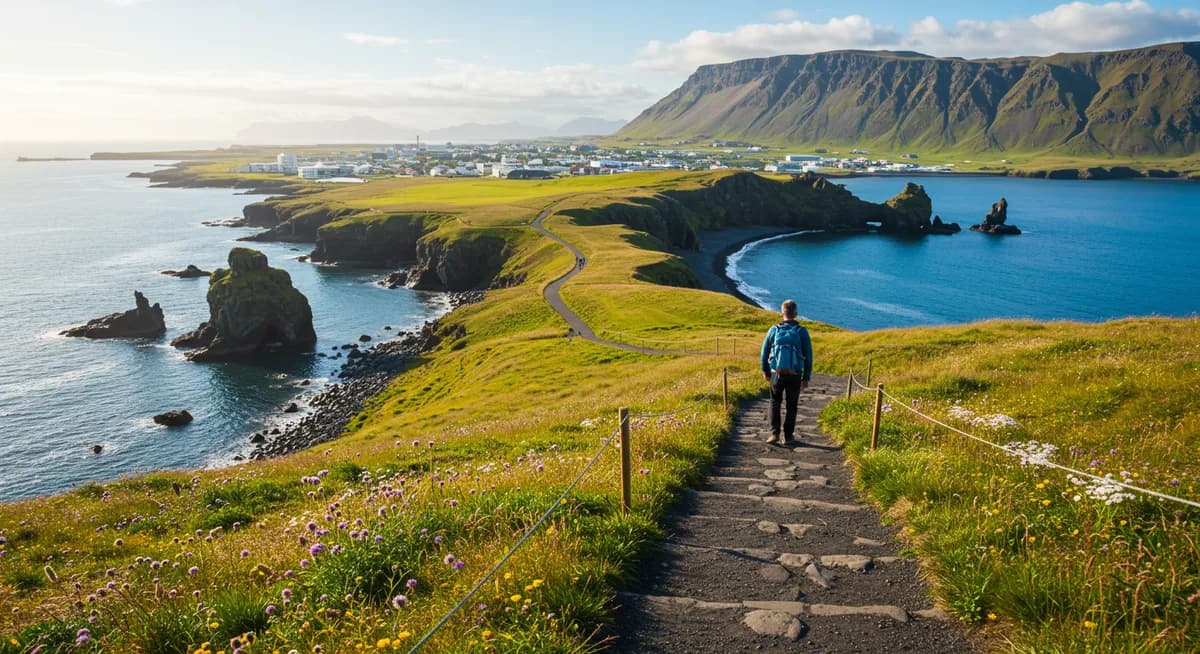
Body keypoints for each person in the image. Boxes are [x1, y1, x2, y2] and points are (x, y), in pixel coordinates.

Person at [760, 299, 812, 445]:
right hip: (795, 374)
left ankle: (774, 434)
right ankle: (788, 436)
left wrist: (765, 370)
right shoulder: (802, 332)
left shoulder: (774, 330)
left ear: (782, 312)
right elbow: (809, 355)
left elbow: (764, 352)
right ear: (795, 313)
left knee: (774, 402)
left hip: (776, 372)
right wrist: (806, 376)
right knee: (792, 405)